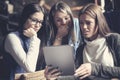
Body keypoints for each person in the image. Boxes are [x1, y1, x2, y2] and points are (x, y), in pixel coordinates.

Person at [75, 3, 120, 80]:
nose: (84, 27)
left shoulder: (113, 40)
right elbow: (76, 76)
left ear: (98, 22)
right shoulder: (80, 49)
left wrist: (94, 69)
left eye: (88, 23)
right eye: (81, 23)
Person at [4, 3, 48, 80]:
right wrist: (34, 38)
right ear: (25, 18)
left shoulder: (33, 39)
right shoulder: (12, 38)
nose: (37, 25)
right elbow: (30, 68)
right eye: (34, 20)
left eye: (40, 22)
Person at [44, 1, 82, 79]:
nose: (64, 22)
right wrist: (59, 37)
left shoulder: (77, 24)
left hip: (79, 72)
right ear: (53, 22)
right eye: (58, 20)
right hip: (60, 75)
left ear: (71, 17)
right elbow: (53, 63)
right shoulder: (50, 30)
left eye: (66, 18)